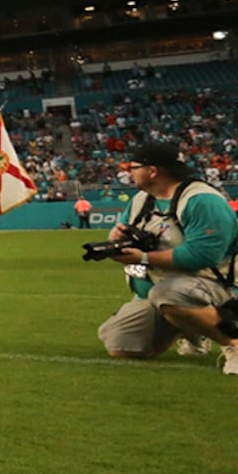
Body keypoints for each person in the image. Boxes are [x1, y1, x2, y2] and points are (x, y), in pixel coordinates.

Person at [96, 142, 238, 376]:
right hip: (165, 286)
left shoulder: (202, 200)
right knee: (119, 342)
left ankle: (232, 342)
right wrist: (116, 240)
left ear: (152, 171)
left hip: (218, 285)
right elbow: (127, 232)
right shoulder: (142, 200)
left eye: (134, 167)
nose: (129, 172)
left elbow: (202, 255)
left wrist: (141, 257)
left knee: (168, 294)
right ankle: (192, 327)